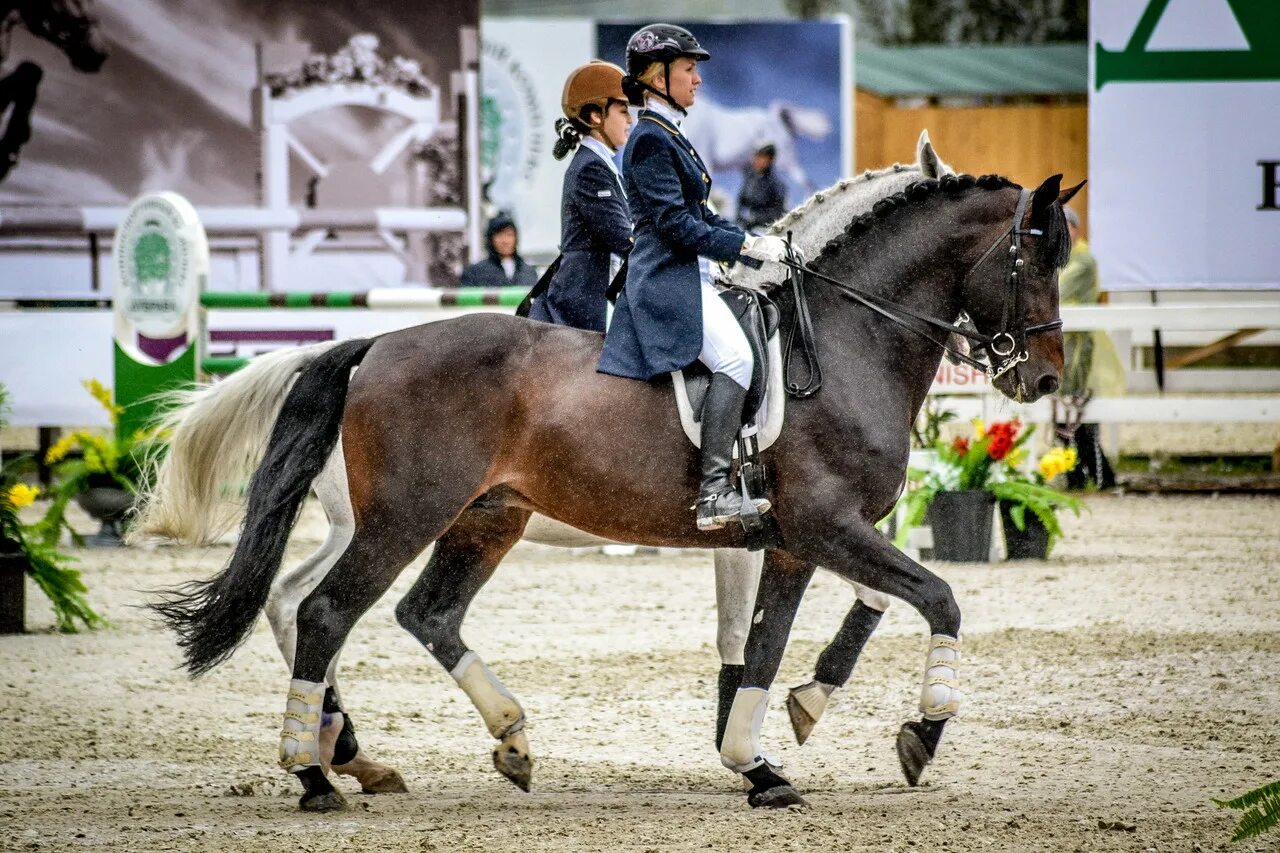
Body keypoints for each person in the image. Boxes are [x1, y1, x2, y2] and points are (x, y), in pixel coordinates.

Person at [597, 23, 788, 531]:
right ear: (657, 77)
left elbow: (701, 214)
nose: (697, 79)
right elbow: (675, 226)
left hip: (691, 274)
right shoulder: (648, 140)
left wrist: (752, 241)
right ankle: (714, 492)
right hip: (665, 280)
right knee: (736, 357)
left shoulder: (669, 134)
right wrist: (744, 245)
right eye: (688, 69)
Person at [527, 60, 634, 332]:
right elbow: (624, 239)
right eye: (623, 111)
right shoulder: (591, 169)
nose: (630, 121)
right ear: (595, 116)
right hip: (584, 306)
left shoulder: (602, 164)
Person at [1057, 206, 1120, 489]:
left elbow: (1059, 289)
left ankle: (1096, 474)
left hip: (1079, 346)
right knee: (1064, 411)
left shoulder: (1082, 262)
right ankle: (1080, 474)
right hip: (1063, 344)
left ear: (1075, 229)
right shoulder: (1065, 258)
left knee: (1077, 409)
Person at [460, 213, 540, 288]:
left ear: (516, 238)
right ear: (491, 239)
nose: (505, 241)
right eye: (499, 235)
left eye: (509, 235)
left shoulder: (529, 272)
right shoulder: (475, 273)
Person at [735, 142, 787, 232]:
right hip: (745, 226)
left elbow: (778, 213)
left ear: (770, 160)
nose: (757, 160)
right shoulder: (750, 176)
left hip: (764, 229)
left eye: (761, 157)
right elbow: (742, 199)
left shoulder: (776, 183)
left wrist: (755, 217)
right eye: (756, 156)